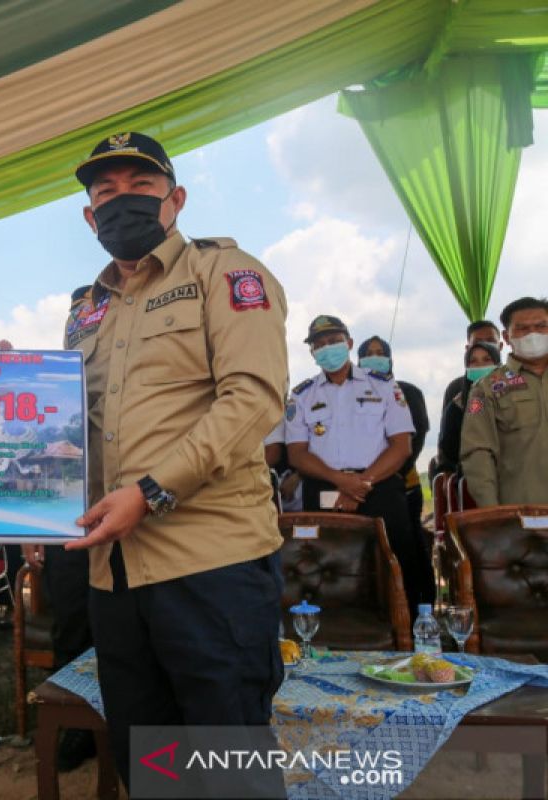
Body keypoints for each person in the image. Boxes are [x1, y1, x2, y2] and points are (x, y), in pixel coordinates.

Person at [63, 132, 288, 794]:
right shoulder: (86, 310)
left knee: (229, 764)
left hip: (209, 563)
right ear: (87, 215)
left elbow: (253, 399)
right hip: (115, 576)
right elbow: (73, 427)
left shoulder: (224, 274)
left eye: (140, 185)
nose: (120, 201)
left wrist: (153, 491)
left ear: (176, 198)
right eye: (105, 191)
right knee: (151, 765)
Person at [285, 315, 433, 618]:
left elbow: (401, 445)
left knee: (396, 565)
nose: (328, 348)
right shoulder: (302, 396)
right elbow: (297, 454)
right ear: (312, 353)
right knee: (324, 566)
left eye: (334, 341)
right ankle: (332, 634)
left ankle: (404, 634)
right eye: (320, 345)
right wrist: (340, 480)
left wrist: (361, 483)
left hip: (379, 487)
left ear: (349, 343)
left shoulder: (382, 386)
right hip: (325, 490)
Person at [460, 297, 548, 506]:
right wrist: (493, 514)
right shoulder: (485, 388)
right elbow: (477, 453)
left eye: (541, 326)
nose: (532, 334)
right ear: (507, 337)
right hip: (522, 515)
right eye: (523, 328)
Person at [357, 336, 429, 534]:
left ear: (390, 359)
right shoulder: (350, 395)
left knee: (409, 540)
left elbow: (418, 436)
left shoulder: (408, 391)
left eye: (380, 354)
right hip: (362, 484)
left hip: (403, 480)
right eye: (368, 354)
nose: (374, 358)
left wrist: (394, 471)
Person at [435, 341, 502, 476]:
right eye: (474, 361)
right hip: (472, 477)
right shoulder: (457, 407)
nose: (480, 366)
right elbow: (449, 451)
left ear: (498, 364)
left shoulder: (513, 397)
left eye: (487, 360)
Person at [442, 320, 504, 411]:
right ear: (468, 348)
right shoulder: (456, 388)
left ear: (500, 346)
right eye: (477, 343)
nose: (484, 346)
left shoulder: (515, 381)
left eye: (490, 341)